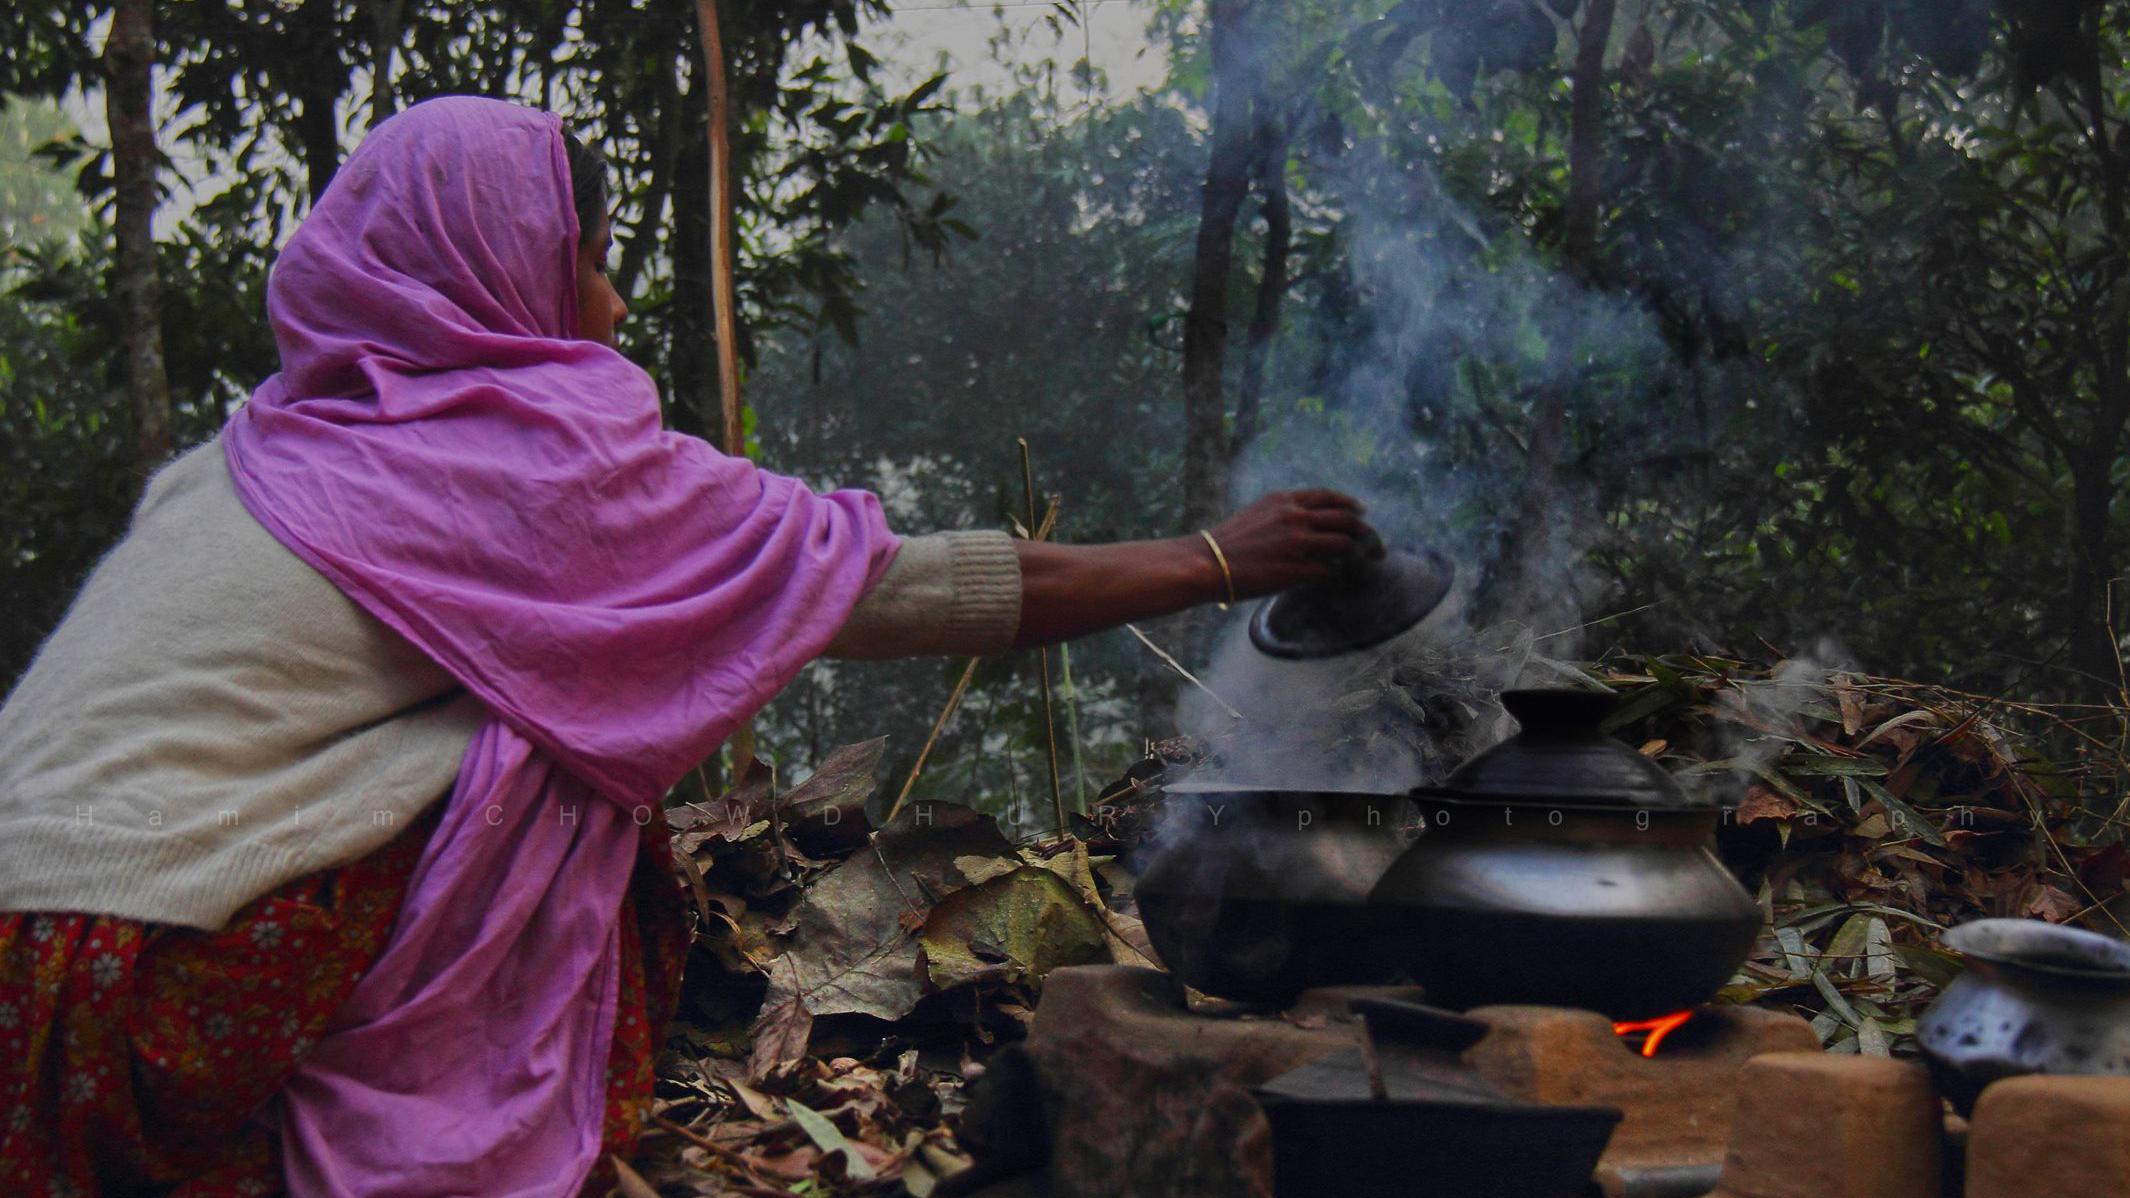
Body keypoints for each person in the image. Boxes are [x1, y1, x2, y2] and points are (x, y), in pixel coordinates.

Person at [0, 96, 1371, 1197]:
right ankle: (418, 1139)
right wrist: (1213, 561)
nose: (603, 302)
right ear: (501, 267)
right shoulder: (529, 473)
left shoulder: (248, 450)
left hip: (26, 1001)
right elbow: (882, 589)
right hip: (139, 999)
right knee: (557, 750)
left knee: (515, 707)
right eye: (585, 258)